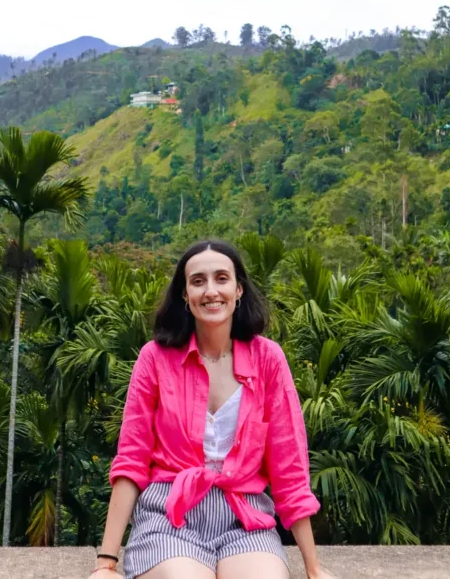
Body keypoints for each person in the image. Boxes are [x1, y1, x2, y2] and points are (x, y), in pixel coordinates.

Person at [89, 239, 336, 579]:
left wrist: (313, 568)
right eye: (198, 281)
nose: (211, 291)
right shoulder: (155, 358)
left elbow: (288, 466)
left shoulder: (269, 360)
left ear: (238, 290)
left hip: (244, 517)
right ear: (185, 296)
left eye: (221, 278)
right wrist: (106, 562)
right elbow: (132, 459)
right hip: (170, 514)